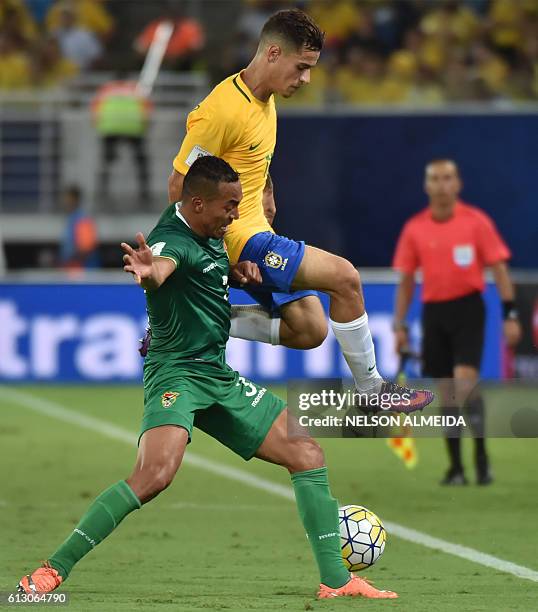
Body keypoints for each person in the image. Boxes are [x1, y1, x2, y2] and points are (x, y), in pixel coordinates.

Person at [17, 156, 397, 600]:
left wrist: (236, 273)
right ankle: (51, 571)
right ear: (197, 203)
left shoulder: (209, 230)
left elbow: (203, 268)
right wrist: (149, 272)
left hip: (215, 374)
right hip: (175, 373)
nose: (236, 216)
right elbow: (162, 266)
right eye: (230, 206)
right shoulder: (170, 240)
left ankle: (336, 580)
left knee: (306, 451)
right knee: (155, 475)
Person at [167, 8, 433, 412]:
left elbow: (248, 161)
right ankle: (372, 391)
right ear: (273, 53)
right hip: (238, 239)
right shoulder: (220, 110)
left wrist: (266, 190)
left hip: (260, 230)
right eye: (302, 67)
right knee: (345, 278)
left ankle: (197, 322)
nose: (306, 79)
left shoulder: (265, 101)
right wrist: (206, 262)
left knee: (310, 329)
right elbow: (178, 188)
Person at [392, 159, 522, 485]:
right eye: (435, 179)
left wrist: (510, 315)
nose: (441, 185)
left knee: (465, 386)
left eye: (448, 178)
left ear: (458, 183)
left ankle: (481, 457)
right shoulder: (415, 228)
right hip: (434, 313)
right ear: (427, 186)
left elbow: (499, 270)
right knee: (446, 392)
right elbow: (407, 281)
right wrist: (399, 325)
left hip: (468, 311)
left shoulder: (476, 223)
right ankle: (456, 468)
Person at [91, 77, 152, 202]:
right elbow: (147, 109)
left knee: (106, 162)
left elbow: (95, 108)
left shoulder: (107, 89)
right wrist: (145, 125)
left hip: (110, 127)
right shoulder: (135, 89)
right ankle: (144, 193)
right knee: (140, 161)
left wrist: (99, 125)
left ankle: (102, 192)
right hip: (133, 127)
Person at [59, 185, 99, 270]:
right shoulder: (70, 218)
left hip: (83, 270)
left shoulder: (82, 219)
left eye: (68, 198)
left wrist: (70, 261)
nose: (65, 201)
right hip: (71, 268)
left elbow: (85, 248)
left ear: (75, 199)